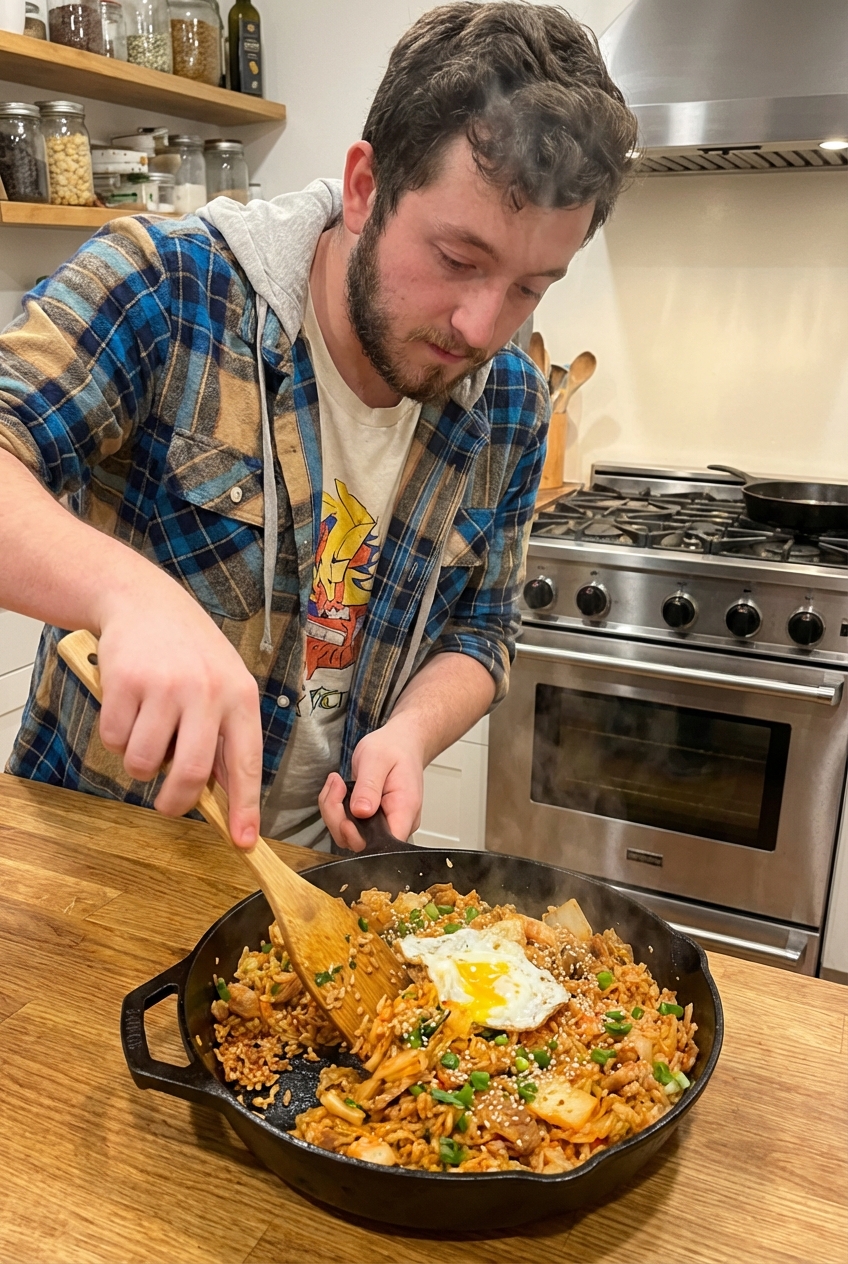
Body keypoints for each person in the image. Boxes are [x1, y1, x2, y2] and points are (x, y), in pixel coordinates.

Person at [0, 2, 636, 852]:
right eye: (458, 260)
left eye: (530, 288)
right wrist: (125, 592)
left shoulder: (513, 404)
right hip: (102, 861)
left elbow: (484, 632)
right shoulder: (170, 288)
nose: (484, 328)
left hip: (317, 876)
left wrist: (408, 733)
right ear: (366, 188)